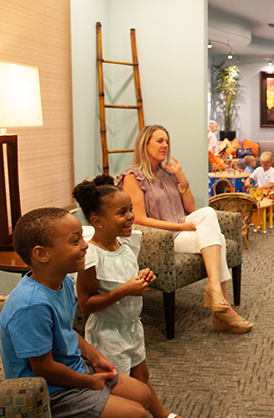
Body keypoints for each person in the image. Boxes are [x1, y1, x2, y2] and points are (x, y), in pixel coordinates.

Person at [0, 207, 151, 418]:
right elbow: (43, 369)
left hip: (73, 368)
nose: (85, 245)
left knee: (142, 395)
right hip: (46, 392)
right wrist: (88, 382)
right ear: (42, 254)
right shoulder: (31, 305)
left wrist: (95, 356)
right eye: (75, 241)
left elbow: (66, 330)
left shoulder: (64, 283)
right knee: (136, 413)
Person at [118, 125, 252, 334]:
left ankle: (215, 292)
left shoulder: (169, 173)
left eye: (167, 141)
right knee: (217, 235)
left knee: (209, 219)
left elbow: (190, 208)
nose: (165, 146)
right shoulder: (132, 177)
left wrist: (181, 177)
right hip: (162, 237)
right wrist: (180, 226)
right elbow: (141, 219)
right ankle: (222, 309)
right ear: (145, 144)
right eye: (159, 141)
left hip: (182, 229)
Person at [73, 175, 182, 418]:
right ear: (97, 221)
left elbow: (127, 276)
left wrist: (141, 276)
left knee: (141, 376)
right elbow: (85, 304)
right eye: (122, 212)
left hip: (133, 326)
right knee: (116, 387)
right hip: (108, 333)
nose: (131, 216)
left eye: (131, 209)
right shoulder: (92, 256)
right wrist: (124, 290)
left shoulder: (126, 243)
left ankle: (162, 415)